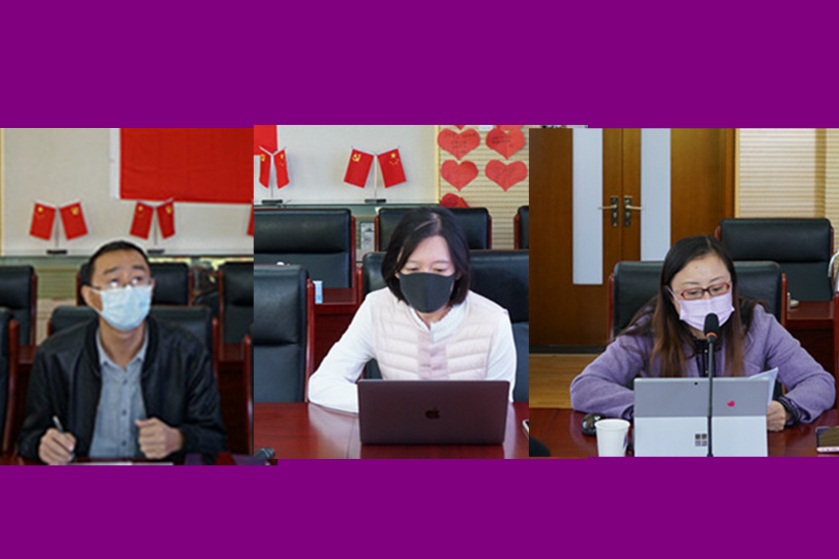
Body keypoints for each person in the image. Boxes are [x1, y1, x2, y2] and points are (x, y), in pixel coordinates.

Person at [570, 235, 835, 431]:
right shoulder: (650, 329)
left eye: (718, 288)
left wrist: (787, 409)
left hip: (741, 446)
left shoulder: (757, 323)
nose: (707, 299)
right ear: (671, 296)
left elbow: (819, 381)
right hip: (670, 446)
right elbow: (584, 387)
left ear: (732, 285)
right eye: (693, 292)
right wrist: (647, 407)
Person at [18, 240, 226, 464]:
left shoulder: (187, 352)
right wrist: (43, 446)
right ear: (91, 296)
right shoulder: (55, 355)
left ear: (151, 288)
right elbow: (27, 439)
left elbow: (215, 439)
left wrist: (178, 439)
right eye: (114, 282)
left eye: (138, 279)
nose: (129, 290)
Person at [308, 207, 516, 414]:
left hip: (468, 433)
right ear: (397, 269)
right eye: (413, 269)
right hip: (396, 429)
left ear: (458, 270)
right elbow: (322, 384)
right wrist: (392, 404)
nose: (426, 280)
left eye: (439, 269)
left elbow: (500, 406)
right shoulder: (376, 307)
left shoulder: (493, 320)